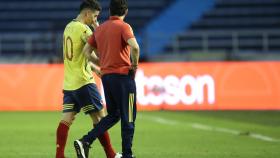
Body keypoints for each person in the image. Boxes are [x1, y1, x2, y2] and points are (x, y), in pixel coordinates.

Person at [73, 0, 140, 158]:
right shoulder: (124, 26)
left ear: (110, 11)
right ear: (126, 12)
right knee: (128, 117)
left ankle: (86, 141)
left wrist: (103, 65)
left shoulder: (100, 29)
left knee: (113, 115)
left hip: (107, 78)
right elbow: (135, 47)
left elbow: (86, 52)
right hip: (124, 77)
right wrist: (135, 65)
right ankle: (127, 155)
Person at [55, 0, 121, 158]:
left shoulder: (69, 27)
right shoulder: (83, 29)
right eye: (95, 16)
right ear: (87, 13)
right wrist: (97, 28)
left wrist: (94, 67)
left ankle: (59, 155)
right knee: (100, 117)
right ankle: (110, 154)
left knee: (66, 119)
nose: (95, 19)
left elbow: (78, 57)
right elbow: (101, 49)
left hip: (70, 83)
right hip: (84, 82)